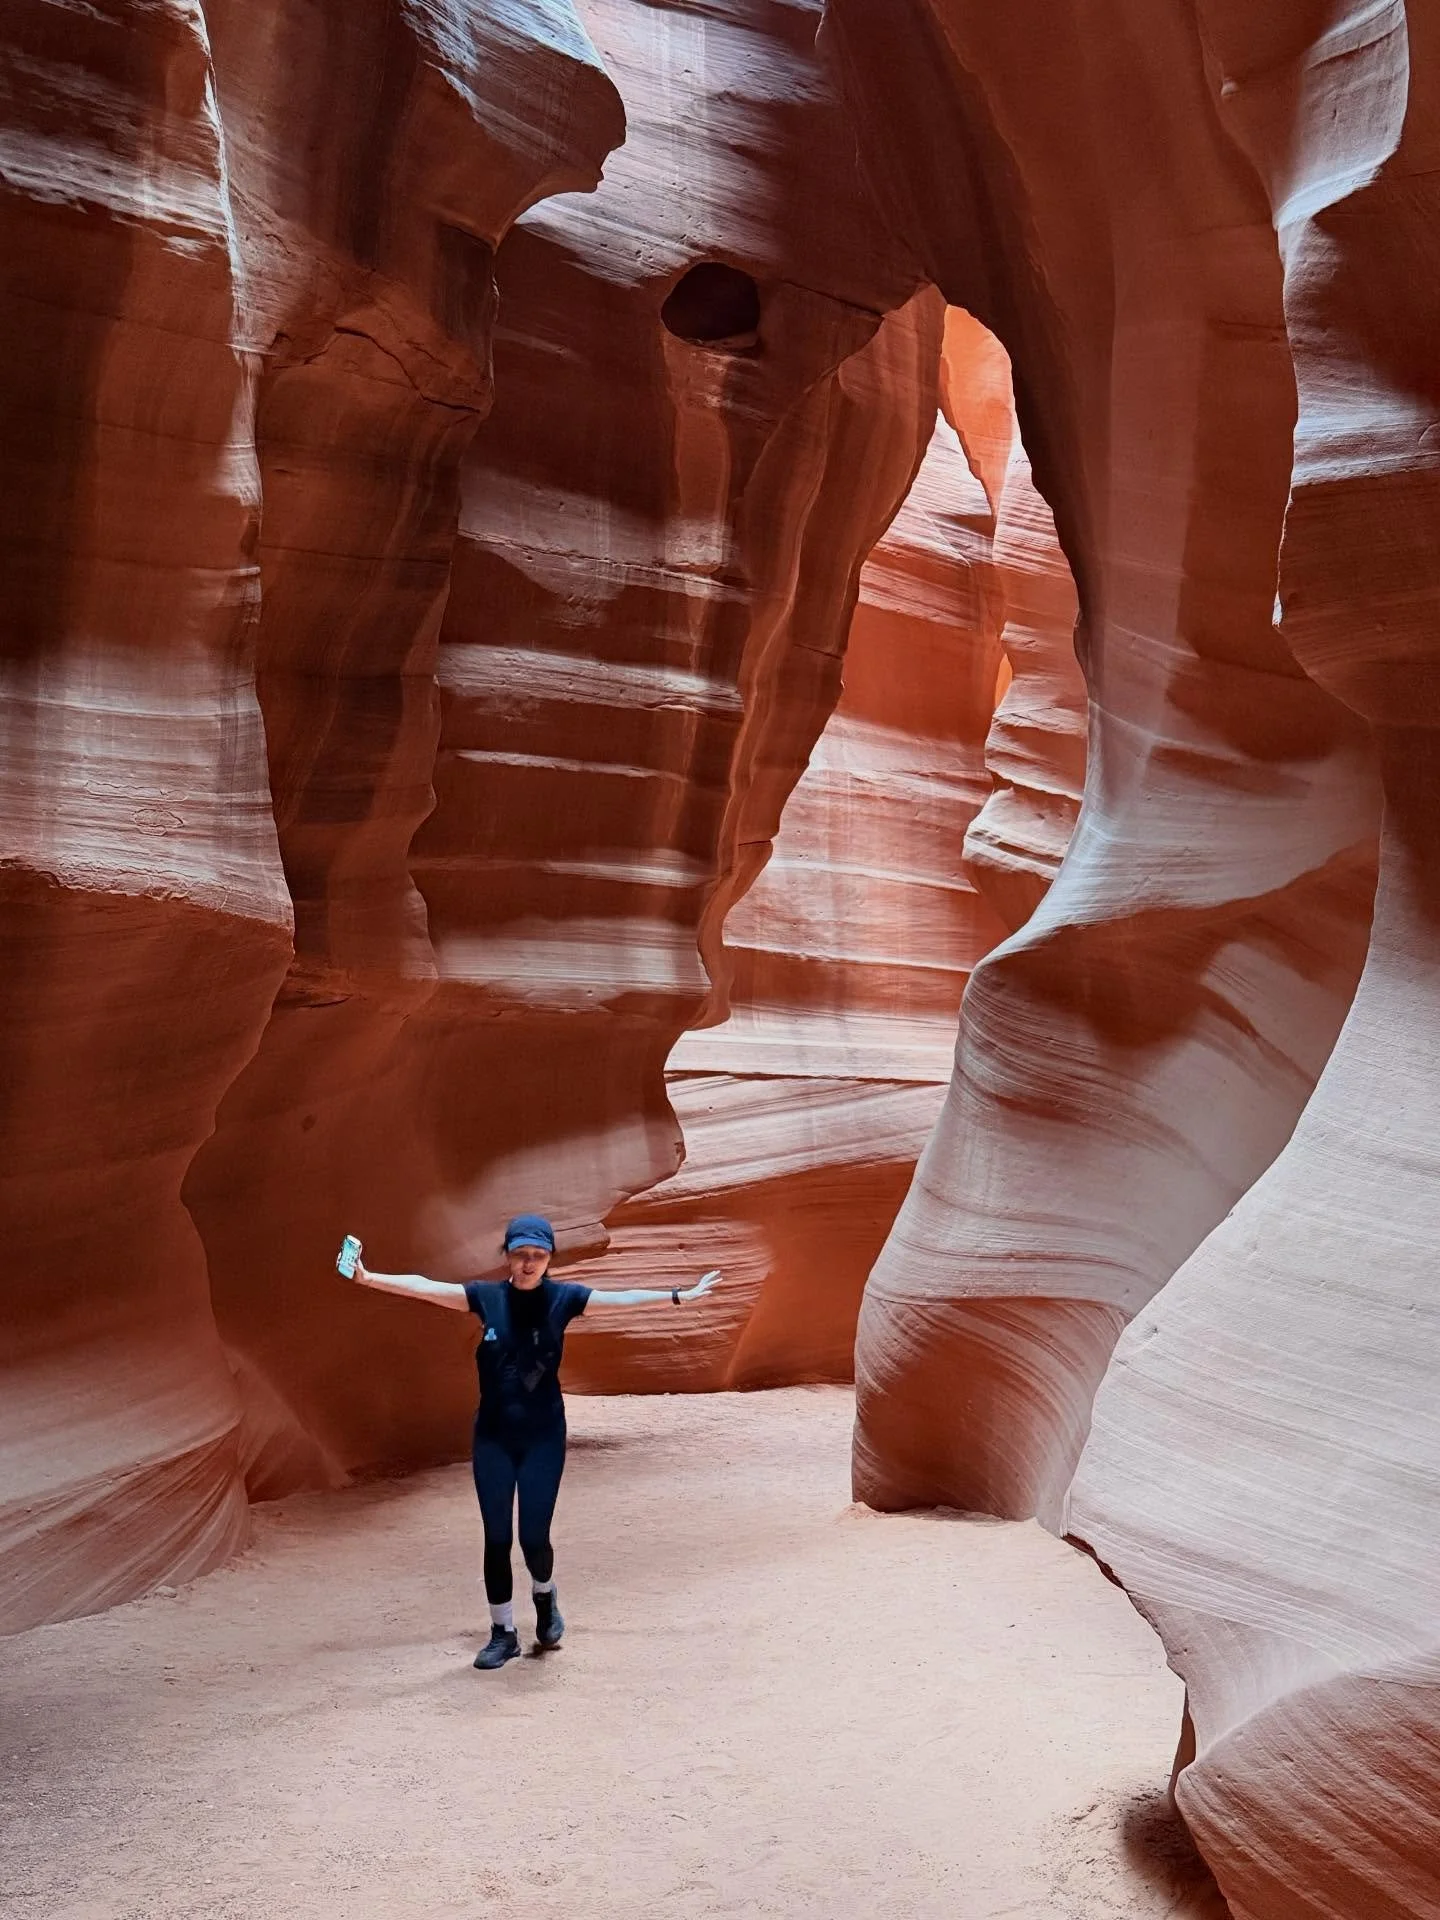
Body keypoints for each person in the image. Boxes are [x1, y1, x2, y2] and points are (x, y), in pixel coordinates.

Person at [347, 1215, 721, 1669]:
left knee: (533, 1537)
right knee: (497, 1537)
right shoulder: (485, 1298)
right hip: (493, 1438)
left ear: (549, 1260)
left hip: (544, 1436)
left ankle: (545, 1596)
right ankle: (502, 1632)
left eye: (538, 1256)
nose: (528, 1264)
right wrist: (367, 1278)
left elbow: (620, 1298)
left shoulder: (565, 1299)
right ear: (507, 1254)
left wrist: (678, 1295)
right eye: (521, 1254)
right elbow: (425, 1286)